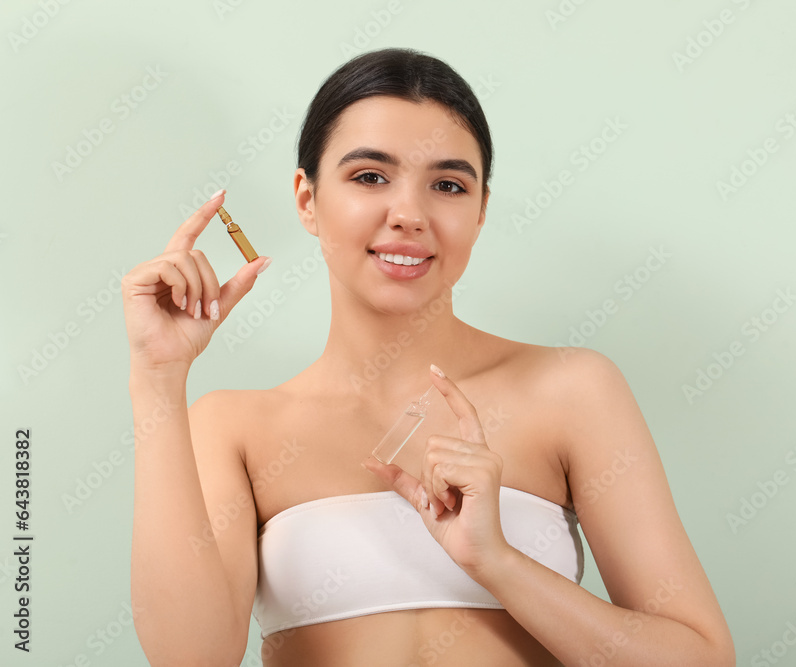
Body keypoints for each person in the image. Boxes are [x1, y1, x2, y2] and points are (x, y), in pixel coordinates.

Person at [123, 47, 735, 667]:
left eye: (447, 185)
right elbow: (190, 658)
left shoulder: (573, 390)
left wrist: (495, 562)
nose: (409, 215)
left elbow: (700, 658)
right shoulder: (233, 428)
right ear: (308, 200)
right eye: (369, 177)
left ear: (480, 211)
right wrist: (157, 379)